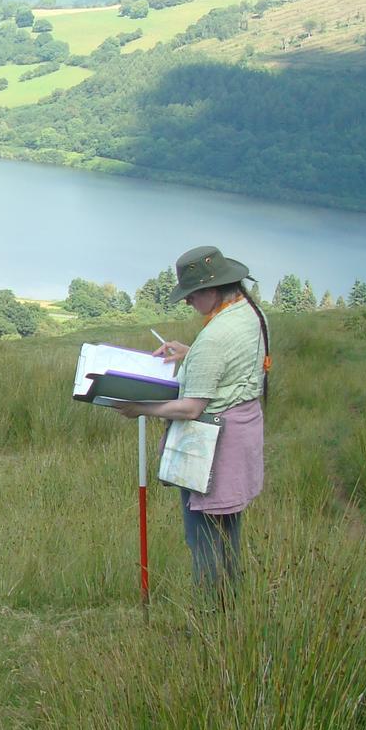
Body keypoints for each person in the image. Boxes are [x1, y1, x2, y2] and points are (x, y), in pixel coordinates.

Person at [109, 245, 270, 594]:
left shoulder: (216, 335)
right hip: (242, 430)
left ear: (212, 290)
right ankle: (232, 608)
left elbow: (191, 408)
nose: (188, 302)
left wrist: (141, 409)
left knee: (204, 536)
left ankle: (211, 617)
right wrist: (191, 352)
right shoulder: (252, 313)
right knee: (229, 530)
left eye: (192, 295)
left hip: (214, 444)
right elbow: (234, 366)